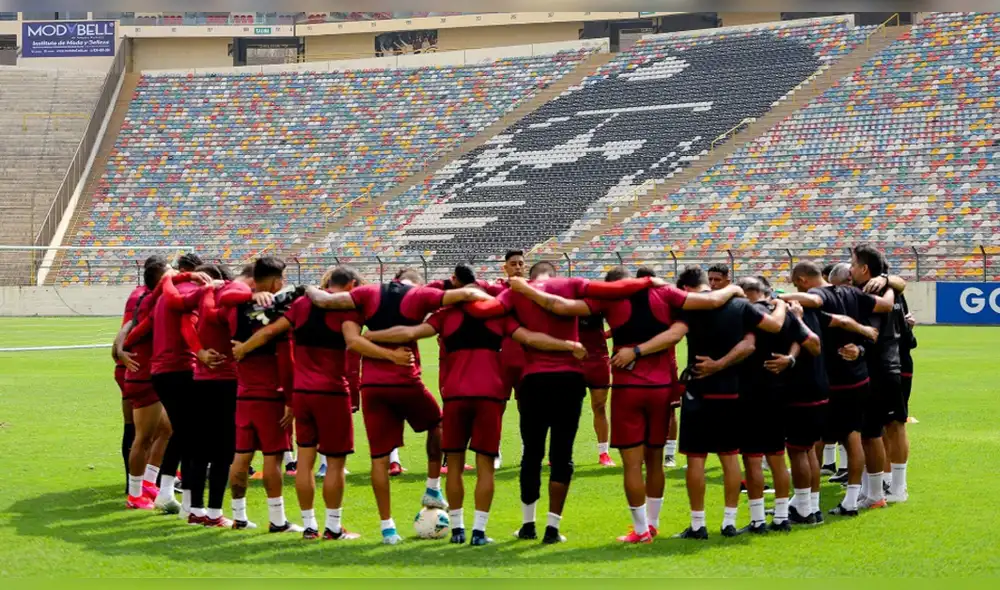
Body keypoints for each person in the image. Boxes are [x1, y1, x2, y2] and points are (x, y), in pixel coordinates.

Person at [511, 266, 745, 543]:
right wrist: (734, 288)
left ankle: (642, 530)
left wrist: (524, 288)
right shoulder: (665, 293)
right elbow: (708, 305)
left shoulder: (610, 300)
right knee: (656, 460)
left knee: (632, 465)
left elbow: (558, 306)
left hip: (626, 387)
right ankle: (655, 524)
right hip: (660, 388)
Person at [361, 284, 588, 547]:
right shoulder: (497, 316)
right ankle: (478, 532)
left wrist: (371, 336)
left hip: (456, 395)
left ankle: (457, 529)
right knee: (485, 468)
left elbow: (410, 332)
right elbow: (530, 338)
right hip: (489, 395)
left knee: (454, 466)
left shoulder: (444, 316)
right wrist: (568, 344)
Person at [470, 262, 674, 544]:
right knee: (562, 455)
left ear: (530, 276)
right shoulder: (571, 284)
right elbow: (615, 288)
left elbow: (484, 311)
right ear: (554, 275)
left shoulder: (516, 292)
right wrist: (648, 281)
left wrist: (473, 292)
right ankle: (552, 529)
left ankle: (528, 525)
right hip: (570, 379)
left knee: (532, 454)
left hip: (533, 381)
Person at [304, 267, 492, 544]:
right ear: (415, 283)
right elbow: (465, 293)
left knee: (379, 459)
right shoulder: (419, 295)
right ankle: (432, 486)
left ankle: (388, 528)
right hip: (405, 379)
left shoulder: (366, 293)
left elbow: (328, 305)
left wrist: (305, 289)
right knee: (438, 423)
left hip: (372, 386)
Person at [233, 266, 386, 540]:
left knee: (304, 462)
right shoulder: (347, 310)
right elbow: (355, 342)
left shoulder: (302, 304)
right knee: (336, 464)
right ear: (352, 285)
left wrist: (243, 348)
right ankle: (333, 528)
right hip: (332, 393)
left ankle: (309, 526)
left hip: (302, 394)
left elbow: (269, 332)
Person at [670, 266, 787, 540]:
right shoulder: (741, 306)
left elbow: (674, 334)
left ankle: (698, 525)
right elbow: (771, 328)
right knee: (729, 457)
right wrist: (781, 303)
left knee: (696, 459)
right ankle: (729, 522)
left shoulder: (691, 307)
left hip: (697, 387)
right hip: (729, 390)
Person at [782, 261, 890, 518]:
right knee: (853, 437)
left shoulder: (816, 296)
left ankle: (809, 503)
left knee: (813, 442)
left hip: (831, 378)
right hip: (859, 376)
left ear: (803, 280)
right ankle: (851, 501)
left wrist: (774, 297)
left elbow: (820, 309)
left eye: (796, 283)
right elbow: (884, 305)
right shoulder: (853, 293)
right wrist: (891, 281)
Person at [735, 277, 819, 534]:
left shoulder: (747, 314)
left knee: (751, 459)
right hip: (779, 392)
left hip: (749, 392)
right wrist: (791, 358)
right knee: (777, 457)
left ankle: (758, 520)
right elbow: (813, 343)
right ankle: (781, 517)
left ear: (748, 293)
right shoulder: (788, 315)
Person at [225, 256, 302, 533]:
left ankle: (239, 517)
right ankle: (277, 520)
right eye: (281, 277)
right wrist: (291, 401)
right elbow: (286, 361)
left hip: (244, 393)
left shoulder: (236, 308)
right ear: (273, 280)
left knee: (241, 457)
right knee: (273, 458)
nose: (283, 282)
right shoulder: (278, 310)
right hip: (271, 395)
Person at [113, 259, 176, 509]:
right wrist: (121, 348)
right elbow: (136, 327)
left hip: (148, 375)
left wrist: (119, 346)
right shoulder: (152, 300)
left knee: (167, 430)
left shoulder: (147, 299)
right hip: (144, 376)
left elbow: (129, 325)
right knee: (142, 437)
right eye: (170, 273)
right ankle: (135, 494)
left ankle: (147, 483)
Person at [149, 252, 206, 514]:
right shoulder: (187, 293)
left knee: (183, 433)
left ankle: (166, 491)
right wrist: (201, 351)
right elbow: (188, 325)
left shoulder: (161, 296)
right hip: (181, 368)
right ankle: (189, 504)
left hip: (161, 370)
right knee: (193, 435)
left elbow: (143, 324)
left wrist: (122, 344)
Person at [852, 246, 909, 504]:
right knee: (891, 427)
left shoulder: (873, 291)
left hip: (879, 367)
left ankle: (891, 488)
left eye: (853, 264)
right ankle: (891, 484)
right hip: (891, 365)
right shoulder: (891, 288)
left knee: (877, 430)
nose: (851, 269)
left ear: (864, 269)